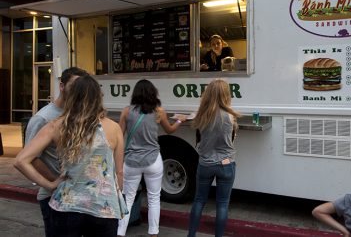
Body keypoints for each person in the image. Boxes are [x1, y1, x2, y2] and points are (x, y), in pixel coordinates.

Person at [15, 75, 125, 237]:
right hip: (103, 208)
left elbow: (20, 161)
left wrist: (50, 184)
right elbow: (119, 172)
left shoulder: (56, 125)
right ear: (98, 97)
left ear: (72, 97)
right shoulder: (114, 128)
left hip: (65, 206)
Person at [23, 66, 88, 237]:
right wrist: (54, 182)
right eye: (74, 85)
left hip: (78, 196)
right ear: (61, 85)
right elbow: (30, 158)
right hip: (53, 198)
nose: (78, 90)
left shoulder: (77, 113)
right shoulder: (42, 118)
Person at [117, 79, 186, 237]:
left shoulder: (126, 111)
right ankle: (153, 234)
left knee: (127, 199)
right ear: (152, 93)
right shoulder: (159, 111)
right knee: (154, 199)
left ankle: (120, 233)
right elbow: (169, 131)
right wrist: (179, 120)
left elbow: (118, 137)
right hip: (153, 160)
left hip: (132, 162)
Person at [187, 79, 240, 237]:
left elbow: (199, 138)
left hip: (205, 164)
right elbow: (232, 139)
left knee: (199, 201)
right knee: (222, 205)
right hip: (226, 164)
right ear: (226, 94)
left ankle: (191, 235)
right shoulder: (230, 116)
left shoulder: (202, 115)